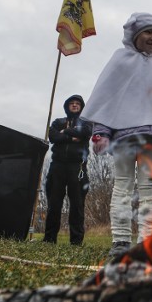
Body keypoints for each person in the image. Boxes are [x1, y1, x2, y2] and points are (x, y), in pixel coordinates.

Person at [81, 12, 152, 258]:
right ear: (135, 35)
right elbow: (107, 96)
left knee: (150, 188)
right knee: (122, 187)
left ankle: (146, 240)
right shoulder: (120, 61)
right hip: (124, 138)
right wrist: (101, 132)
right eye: (148, 32)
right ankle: (120, 240)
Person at [42, 95, 92, 245]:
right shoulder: (58, 122)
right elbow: (52, 136)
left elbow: (85, 134)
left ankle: (76, 241)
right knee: (54, 204)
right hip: (57, 166)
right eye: (72, 103)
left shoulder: (86, 123)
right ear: (67, 106)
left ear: (81, 107)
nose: (75, 105)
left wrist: (65, 132)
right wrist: (71, 136)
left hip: (77, 167)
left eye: (78, 104)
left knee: (77, 205)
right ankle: (49, 239)